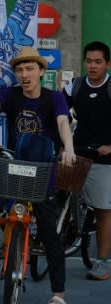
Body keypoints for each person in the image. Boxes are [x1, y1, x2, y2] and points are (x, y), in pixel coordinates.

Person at [0, 47, 76, 304]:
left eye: (30, 68)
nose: (24, 74)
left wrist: (68, 147)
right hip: (14, 165)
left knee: (48, 234)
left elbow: (62, 122)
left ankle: (58, 294)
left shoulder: (53, 97)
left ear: (41, 71)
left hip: (43, 170)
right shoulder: (9, 95)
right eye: (20, 69)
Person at [63, 41, 111, 281]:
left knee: (103, 211)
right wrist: (62, 142)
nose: (92, 66)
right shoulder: (76, 86)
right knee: (56, 194)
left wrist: (110, 146)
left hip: (105, 158)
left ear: (107, 64)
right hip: (78, 152)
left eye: (98, 62)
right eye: (89, 61)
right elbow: (60, 114)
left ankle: (102, 262)